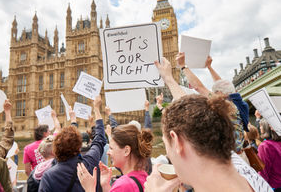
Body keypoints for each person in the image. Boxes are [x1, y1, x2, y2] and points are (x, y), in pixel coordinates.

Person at [146, 56, 273, 192]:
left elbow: (197, 89)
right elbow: (190, 113)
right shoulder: (241, 168)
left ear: (177, 142)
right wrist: (208, 68)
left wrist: (181, 68)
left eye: (167, 145)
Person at [38, 95, 107, 192]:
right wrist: (96, 109)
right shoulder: (89, 162)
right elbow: (100, 139)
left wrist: (73, 120)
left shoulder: (49, 176)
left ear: (55, 149)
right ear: (79, 146)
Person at [77, 123, 153, 192]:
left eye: (111, 148)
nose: (108, 152)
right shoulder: (143, 176)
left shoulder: (123, 185)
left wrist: (90, 188)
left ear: (126, 151)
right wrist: (105, 185)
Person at [258, 121, 281, 191]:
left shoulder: (265, 146)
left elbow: (263, 170)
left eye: (261, 125)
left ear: (266, 128)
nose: (259, 127)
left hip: (274, 186)